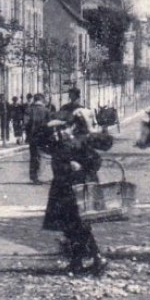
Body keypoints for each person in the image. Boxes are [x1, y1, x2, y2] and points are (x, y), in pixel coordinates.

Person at [42, 114, 105, 275]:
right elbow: (39, 141)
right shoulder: (58, 145)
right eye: (56, 131)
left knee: (77, 226)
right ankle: (93, 259)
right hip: (63, 191)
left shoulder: (80, 143)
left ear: (72, 128)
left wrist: (80, 167)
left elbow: (96, 161)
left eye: (63, 128)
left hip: (77, 190)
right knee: (73, 227)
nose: (59, 133)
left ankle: (84, 260)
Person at [25, 92, 48, 183]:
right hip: (42, 136)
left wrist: (28, 133)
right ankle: (36, 176)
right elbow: (49, 124)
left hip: (32, 136)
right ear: (41, 100)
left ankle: (33, 175)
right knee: (39, 156)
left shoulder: (29, 110)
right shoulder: (45, 110)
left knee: (33, 155)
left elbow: (26, 123)